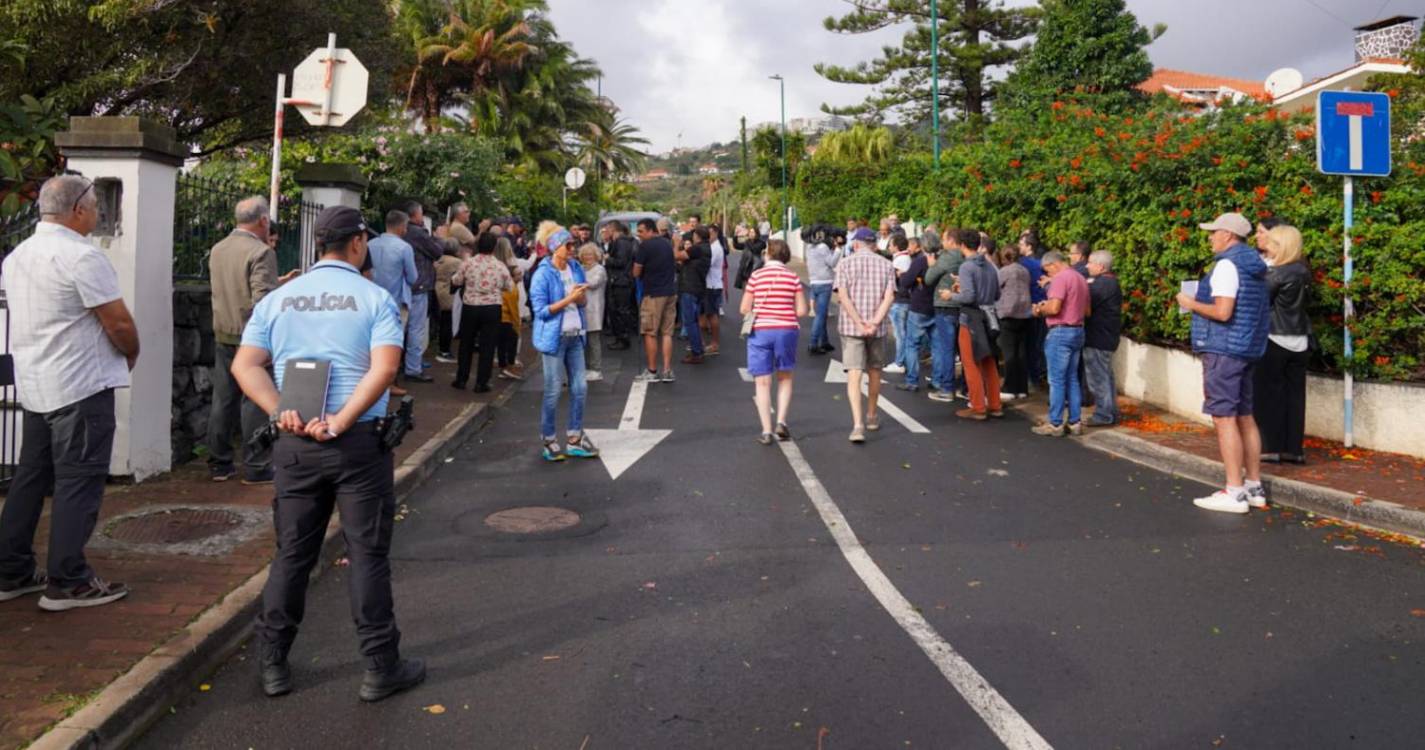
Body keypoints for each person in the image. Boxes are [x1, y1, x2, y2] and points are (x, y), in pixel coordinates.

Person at [232, 205, 424, 701]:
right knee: (367, 554)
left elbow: (245, 366)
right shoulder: (375, 298)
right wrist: (340, 420)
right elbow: (384, 370)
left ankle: (273, 663)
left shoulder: (279, 299)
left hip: (295, 444)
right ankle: (380, 667)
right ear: (359, 244)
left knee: (292, 554)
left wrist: (280, 411)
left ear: (319, 245)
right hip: (357, 442)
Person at [0, 174, 139, 610]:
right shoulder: (81, 257)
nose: (98, 212)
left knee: (30, 478)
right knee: (79, 482)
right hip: (80, 385)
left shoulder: (18, 255)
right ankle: (68, 580)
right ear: (78, 209)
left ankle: (11, 571)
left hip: (38, 383)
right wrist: (131, 353)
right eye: (95, 205)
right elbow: (117, 321)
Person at [1175, 212, 1272, 514]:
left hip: (1223, 350)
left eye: (1214, 232)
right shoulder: (1253, 266)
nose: (1210, 237)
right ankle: (1253, 486)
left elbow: (1223, 311)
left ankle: (1234, 491)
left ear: (1228, 235)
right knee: (1245, 415)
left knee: (1224, 417)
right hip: (1246, 348)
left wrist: (1189, 303)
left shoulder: (1227, 266)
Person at [207, 196, 297, 485]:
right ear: (262, 220)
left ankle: (219, 464)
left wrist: (278, 281)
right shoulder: (261, 252)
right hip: (252, 338)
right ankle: (257, 465)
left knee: (223, 399)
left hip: (223, 331)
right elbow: (263, 301)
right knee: (254, 402)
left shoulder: (219, 249)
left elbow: (236, 288)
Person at [531, 229, 599, 462]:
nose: (573, 249)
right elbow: (540, 311)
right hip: (554, 338)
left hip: (576, 336)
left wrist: (579, 297)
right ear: (555, 247)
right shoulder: (543, 274)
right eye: (568, 245)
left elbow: (582, 302)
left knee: (580, 388)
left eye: (574, 245)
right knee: (552, 391)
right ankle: (549, 440)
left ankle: (574, 439)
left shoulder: (576, 268)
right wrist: (569, 299)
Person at [1254, 224, 1311, 465]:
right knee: (1295, 396)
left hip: (1275, 336)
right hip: (1300, 338)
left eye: (1274, 243)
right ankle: (1294, 449)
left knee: (1268, 394)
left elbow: (1260, 300)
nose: (1269, 247)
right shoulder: (1304, 271)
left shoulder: (1277, 273)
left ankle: (1270, 447)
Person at [742, 239, 807, 444]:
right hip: (786, 330)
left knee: (762, 382)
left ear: (767, 254)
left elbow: (744, 308)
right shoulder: (793, 277)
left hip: (761, 330)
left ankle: (766, 431)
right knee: (785, 377)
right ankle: (781, 422)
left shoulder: (756, 276)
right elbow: (802, 311)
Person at [835, 227, 897, 443]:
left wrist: (859, 322)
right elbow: (889, 298)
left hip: (852, 327)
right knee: (875, 371)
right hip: (877, 328)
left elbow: (842, 296)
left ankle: (857, 424)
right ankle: (872, 415)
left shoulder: (844, 264)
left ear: (856, 244)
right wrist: (873, 322)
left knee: (854, 373)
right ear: (874, 244)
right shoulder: (887, 265)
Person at [1032, 250, 1090, 436]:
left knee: (1056, 380)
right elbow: (1087, 310)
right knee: (1072, 378)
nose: (1048, 274)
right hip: (1078, 330)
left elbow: (1055, 307)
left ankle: (1055, 423)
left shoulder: (1060, 278)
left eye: (1047, 270)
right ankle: (1075, 422)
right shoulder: (1080, 278)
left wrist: (1040, 309)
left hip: (1060, 331)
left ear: (1054, 264)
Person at [948, 229, 1003, 419]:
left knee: (970, 363)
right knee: (989, 362)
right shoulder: (989, 265)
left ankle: (978, 406)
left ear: (962, 245)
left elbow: (969, 296)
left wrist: (952, 295)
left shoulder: (966, 267)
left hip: (971, 318)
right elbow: (997, 294)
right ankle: (995, 404)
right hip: (989, 317)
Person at [452, 232, 514, 393]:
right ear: (494, 247)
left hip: (470, 306)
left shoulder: (468, 263)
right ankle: (482, 382)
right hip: (492, 307)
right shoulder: (500, 266)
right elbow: (509, 286)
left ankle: (461, 379)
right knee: (488, 345)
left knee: (466, 343)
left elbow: (457, 280)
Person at [367, 210, 419, 380]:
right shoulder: (404, 248)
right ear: (402, 227)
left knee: (369, 340)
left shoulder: (370, 244)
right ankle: (390, 381)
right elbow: (413, 277)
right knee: (393, 341)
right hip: (395, 301)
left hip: (370, 299)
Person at [400, 202, 442, 383]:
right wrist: (438, 237)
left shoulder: (402, 233)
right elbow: (437, 251)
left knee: (400, 328)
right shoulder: (418, 233)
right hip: (419, 286)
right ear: (415, 215)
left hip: (401, 286)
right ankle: (413, 368)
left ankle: (401, 364)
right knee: (416, 329)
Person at [924, 228, 968, 402]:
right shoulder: (965, 257)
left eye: (944, 239)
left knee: (946, 349)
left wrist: (931, 265)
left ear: (951, 240)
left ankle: (947, 388)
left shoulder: (947, 257)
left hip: (945, 306)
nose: (942, 243)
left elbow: (928, 279)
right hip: (963, 306)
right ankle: (966, 387)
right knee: (963, 350)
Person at [633, 218, 678, 382]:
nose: (639, 235)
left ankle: (652, 371)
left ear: (651, 230)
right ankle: (667, 370)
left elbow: (636, 272)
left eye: (641, 231)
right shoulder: (667, 243)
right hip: (670, 292)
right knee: (667, 332)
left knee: (650, 332)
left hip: (653, 294)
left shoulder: (645, 246)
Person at [1083, 250, 1123, 426]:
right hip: (1106, 336)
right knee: (1106, 376)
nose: (1087, 266)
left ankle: (1103, 414)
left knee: (1098, 377)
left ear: (1100, 266)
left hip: (1098, 337)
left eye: (1090, 262)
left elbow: (1085, 300)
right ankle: (1111, 412)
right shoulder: (1110, 282)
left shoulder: (1102, 284)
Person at [996, 245, 1032, 400]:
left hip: (1008, 313)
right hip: (1024, 313)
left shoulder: (1004, 271)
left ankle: (1009, 387)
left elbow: (995, 288)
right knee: (1021, 352)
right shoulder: (1024, 271)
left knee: (1009, 353)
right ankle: (1022, 387)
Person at [897, 236, 933, 392]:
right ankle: (939, 380)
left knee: (912, 344)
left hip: (919, 305)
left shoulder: (920, 262)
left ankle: (912, 380)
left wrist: (903, 275)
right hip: (937, 306)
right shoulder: (942, 261)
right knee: (937, 346)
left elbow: (906, 282)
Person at [677, 227, 711, 364]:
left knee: (690, 321)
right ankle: (698, 349)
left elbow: (678, 256)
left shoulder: (697, 249)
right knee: (694, 321)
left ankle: (696, 352)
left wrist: (675, 243)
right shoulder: (707, 248)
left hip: (690, 288)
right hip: (698, 287)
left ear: (697, 236)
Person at [1018, 230, 1049, 384]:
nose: (1019, 246)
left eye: (1021, 244)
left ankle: (1033, 376)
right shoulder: (1042, 263)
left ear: (1029, 246)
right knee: (1040, 342)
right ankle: (1040, 372)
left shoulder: (1024, 264)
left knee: (1031, 344)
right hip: (1043, 305)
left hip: (1030, 307)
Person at [602, 221, 638, 350]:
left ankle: (623, 339)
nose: (606, 233)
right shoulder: (625, 241)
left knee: (620, 311)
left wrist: (607, 259)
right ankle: (621, 338)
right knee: (618, 311)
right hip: (621, 280)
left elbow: (621, 262)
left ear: (613, 229)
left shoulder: (621, 242)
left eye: (607, 230)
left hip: (621, 281)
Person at [806, 225, 839, 355]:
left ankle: (824, 341)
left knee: (822, 313)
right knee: (820, 315)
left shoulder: (809, 247)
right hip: (825, 282)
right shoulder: (823, 247)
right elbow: (832, 263)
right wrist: (837, 250)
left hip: (813, 282)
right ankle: (813, 343)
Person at [579, 242, 607, 381]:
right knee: (583, 341)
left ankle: (596, 369)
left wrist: (579, 282)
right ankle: (586, 367)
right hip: (582, 309)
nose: (587, 257)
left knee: (593, 340)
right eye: (585, 255)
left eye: (590, 254)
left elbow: (594, 283)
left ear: (596, 255)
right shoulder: (581, 268)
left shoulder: (599, 269)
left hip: (594, 309)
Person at [886, 234, 913, 377]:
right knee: (903, 333)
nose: (889, 247)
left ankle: (899, 362)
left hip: (900, 301)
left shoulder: (900, 260)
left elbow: (890, 278)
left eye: (890, 244)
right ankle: (904, 361)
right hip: (903, 301)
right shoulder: (904, 258)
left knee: (900, 333)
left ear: (896, 246)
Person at [433, 237, 463, 363]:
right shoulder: (457, 262)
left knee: (442, 321)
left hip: (437, 289)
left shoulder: (439, 260)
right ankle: (445, 351)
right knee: (448, 322)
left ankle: (442, 348)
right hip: (449, 293)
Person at [702, 224, 727, 353]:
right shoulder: (712, 246)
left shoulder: (716, 248)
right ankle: (706, 343)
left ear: (716, 233)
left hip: (712, 285)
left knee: (712, 315)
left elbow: (706, 264)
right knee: (707, 314)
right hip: (711, 284)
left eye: (710, 233)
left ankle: (715, 344)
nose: (708, 236)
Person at [733, 225, 766, 289]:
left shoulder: (761, 243)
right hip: (745, 271)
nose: (751, 234)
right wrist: (736, 235)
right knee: (745, 291)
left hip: (755, 270)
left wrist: (747, 240)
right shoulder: (747, 242)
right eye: (750, 232)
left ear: (757, 233)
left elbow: (754, 249)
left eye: (753, 232)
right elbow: (737, 246)